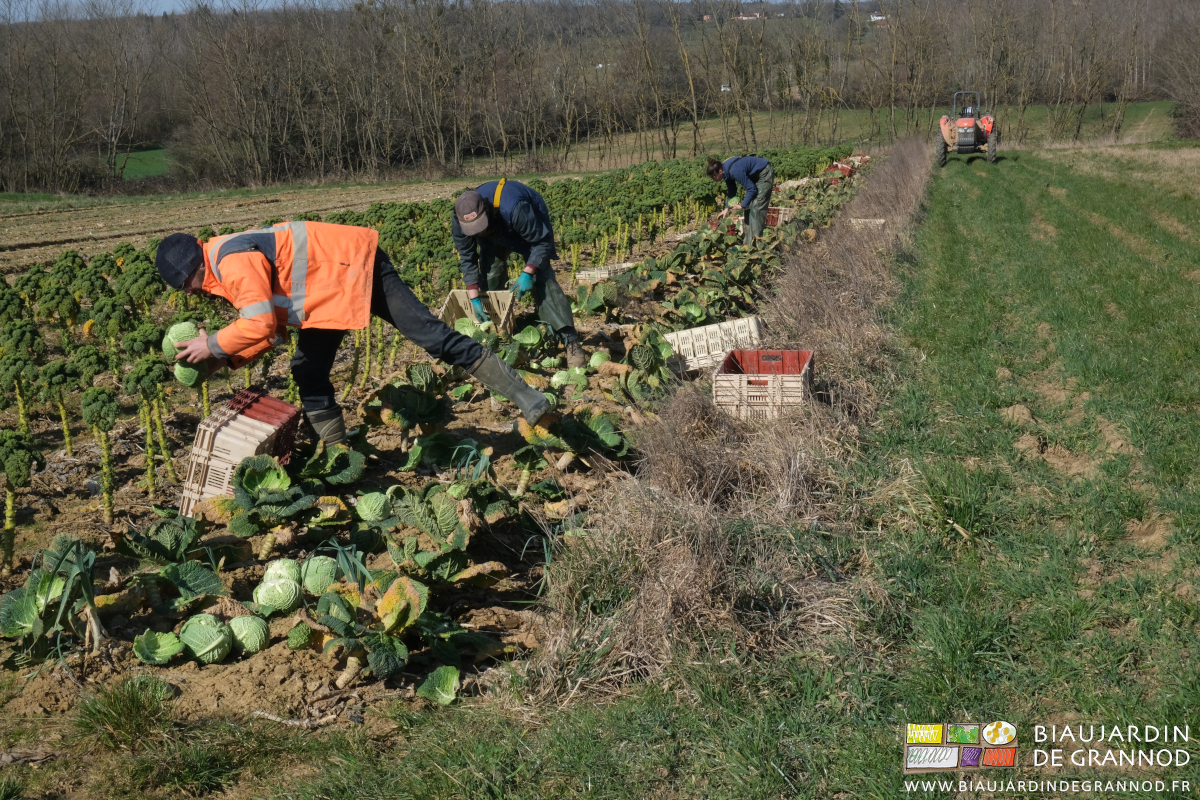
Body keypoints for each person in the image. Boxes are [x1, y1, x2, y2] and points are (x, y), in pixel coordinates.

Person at [156, 221, 551, 445]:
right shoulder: (221, 268)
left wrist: (211, 344)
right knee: (308, 370)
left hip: (359, 267)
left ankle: (527, 396)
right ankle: (336, 452)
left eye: (186, 285)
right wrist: (224, 359)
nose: (189, 293)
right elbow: (270, 329)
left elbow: (258, 323)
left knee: (432, 337)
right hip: (328, 296)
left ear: (193, 268)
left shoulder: (231, 262)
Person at [451, 179, 587, 369]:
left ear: (486, 210)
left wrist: (528, 272)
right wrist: (474, 297)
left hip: (526, 224)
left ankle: (570, 341)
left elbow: (542, 242)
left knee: (542, 278)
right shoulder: (460, 221)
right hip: (495, 230)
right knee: (490, 275)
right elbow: (467, 257)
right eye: (474, 229)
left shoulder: (515, 209)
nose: (478, 232)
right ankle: (500, 336)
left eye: (480, 226)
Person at [706, 154, 775, 246]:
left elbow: (751, 189)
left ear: (720, 171)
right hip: (755, 175)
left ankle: (757, 244)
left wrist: (742, 205)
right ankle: (747, 244)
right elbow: (732, 190)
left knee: (757, 207)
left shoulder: (734, 170)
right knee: (748, 208)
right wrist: (726, 208)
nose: (713, 180)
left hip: (764, 172)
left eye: (714, 177)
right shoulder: (724, 170)